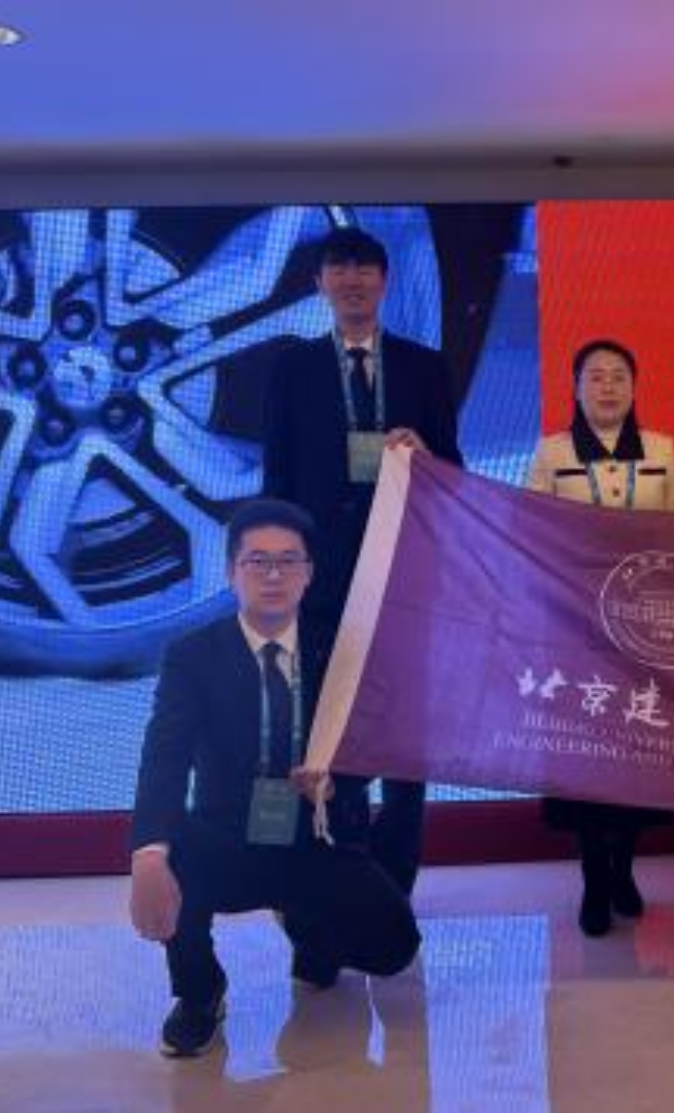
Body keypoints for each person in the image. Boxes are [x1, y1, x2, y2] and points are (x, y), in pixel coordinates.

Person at [128, 499, 420, 1059]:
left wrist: (337, 782)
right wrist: (147, 854)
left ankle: (305, 921)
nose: (273, 575)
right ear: (230, 572)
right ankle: (199, 993)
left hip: (315, 833)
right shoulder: (193, 656)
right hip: (227, 835)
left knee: (392, 948)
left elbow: (377, 742)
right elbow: (163, 759)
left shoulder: (339, 649)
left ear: (309, 573)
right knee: (168, 855)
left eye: (288, 561)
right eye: (257, 561)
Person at [261, 226, 460, 896]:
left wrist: (426, 456)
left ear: (384, 281)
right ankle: (344, 873)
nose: (352, 280)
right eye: (338, 269)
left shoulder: (424, 366)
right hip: (322, 586)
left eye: (364, 268)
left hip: (404, 578)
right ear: (320, 284)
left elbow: (454, 473)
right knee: (333, 728)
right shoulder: (291, 368)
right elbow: (277, 481)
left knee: (404, 738)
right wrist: (280, 574)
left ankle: (397, 883)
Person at [527, 339, 674, 935]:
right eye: (594, 377)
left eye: (618, 376)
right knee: (586, 760)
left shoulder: (661, 449)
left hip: (643, 630)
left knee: (636, 760)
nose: (607, 387)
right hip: (575, 632)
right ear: (576, 389)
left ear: (634, 387)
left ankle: (624, 868)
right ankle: (595, 878)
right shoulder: (552, 453)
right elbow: (533, 534)